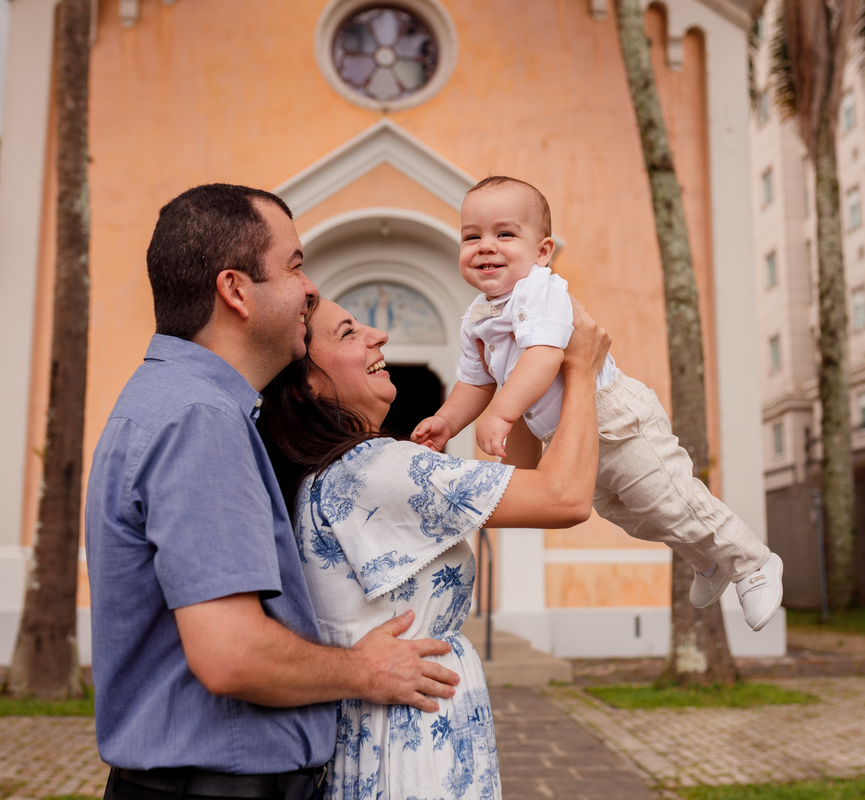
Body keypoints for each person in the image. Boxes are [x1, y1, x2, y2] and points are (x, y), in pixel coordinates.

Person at [85, 184, 462, 800]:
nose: (310, 288)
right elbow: (232, 655)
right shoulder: (198, 417)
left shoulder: (180, 403)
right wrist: (364, 670)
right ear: (235, 290)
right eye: (294, 266)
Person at [259, 294, 611, 800]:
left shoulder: (335, 474)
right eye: (348, 332)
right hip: (413, 745)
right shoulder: (377, 469)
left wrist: (519, 384)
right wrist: (578, 366)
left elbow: (528, 480)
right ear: (308, 387)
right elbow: (566, 497)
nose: (377, 335)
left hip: (388, 730)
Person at [411, 176, 784, 631]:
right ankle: (707, 560)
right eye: (473, 236)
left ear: (542, 251)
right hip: (572, 433)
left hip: (615, 418)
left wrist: (503, 412)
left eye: (504, 234)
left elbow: (545, 357)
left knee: (672, 499)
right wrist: (447, 421)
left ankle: (753, 563)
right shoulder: (477, 316)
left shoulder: (539, 291)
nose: (486, 246)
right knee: (634, 514)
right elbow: (475, 380)